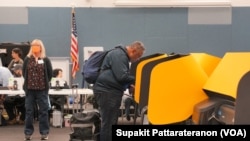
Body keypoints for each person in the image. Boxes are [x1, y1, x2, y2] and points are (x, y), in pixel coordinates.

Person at [93, 41, 145, 141]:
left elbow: (117, 75)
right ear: (133, 51)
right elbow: (121, 76)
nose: (137, 59)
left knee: (111, 122)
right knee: (108, 124)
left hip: (110, 91)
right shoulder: (120, 55)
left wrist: (129, 84)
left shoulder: (120, 55)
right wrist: (140, 78)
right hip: (107, 91)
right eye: (138, 56)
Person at [22, 39, 53, 141]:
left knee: (43, 111)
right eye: (33, 45)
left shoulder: (45, 59)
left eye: (37, 45)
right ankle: (28, 133)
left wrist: (43, 83)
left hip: (42, 90)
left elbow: (50, 74)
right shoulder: (27, 59)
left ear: (41, 47)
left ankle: (44, 133)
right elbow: (24, 73)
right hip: (30, 90)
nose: (35, 47)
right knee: (29, 111)